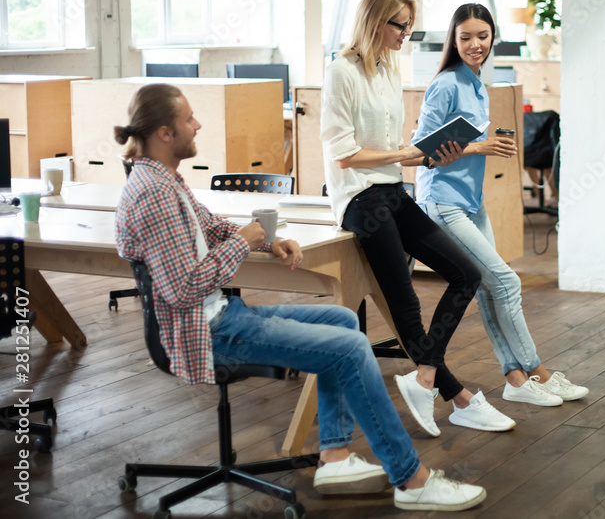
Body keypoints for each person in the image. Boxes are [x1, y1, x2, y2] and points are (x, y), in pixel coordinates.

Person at [113, 83, 486, 511]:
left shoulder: (165, 181)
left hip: (218, 315)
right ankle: (412, 479)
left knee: (345, 322)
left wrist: (266, 240)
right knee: (349, 348)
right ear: (164, 132)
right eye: (188, 119)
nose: (197, 124)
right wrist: (244, 242)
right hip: (205, 332)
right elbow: (182, 289)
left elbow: (211, 226)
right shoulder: (152, 194)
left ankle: (335, 455)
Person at [321, 0, 515, 437]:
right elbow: (345, 154)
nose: (406, 34)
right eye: (399, 25)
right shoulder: (341, 72)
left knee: (466, 274)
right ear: (375, 21)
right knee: (405, 302)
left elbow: (396, 147)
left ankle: (426, 378)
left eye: (409, 25)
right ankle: (461, 398)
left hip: (393, 188)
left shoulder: (390, 68)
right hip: (359, 198)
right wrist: (406, 155)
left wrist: (430, 155)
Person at [413, 3, 589, 407]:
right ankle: (538, 372)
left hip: (471, 201)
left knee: (491, 288)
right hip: (442, 200)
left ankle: (514, 379)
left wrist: (483, 149)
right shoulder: (445, 84)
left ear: (493, 37)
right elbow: (422, 153)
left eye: (482, 36)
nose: (475, 44)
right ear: (453, 40)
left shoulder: (477, 82)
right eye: (465, 37)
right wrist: (482, 146)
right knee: (506, 282)